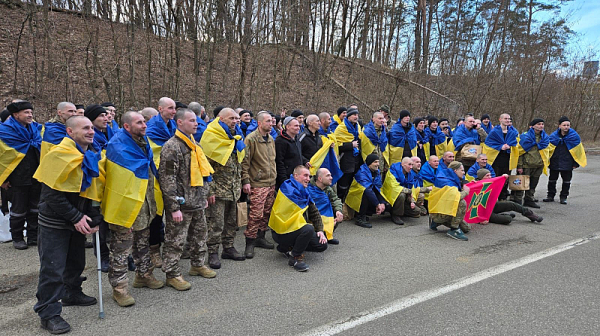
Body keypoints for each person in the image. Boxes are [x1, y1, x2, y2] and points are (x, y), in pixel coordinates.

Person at [33, 116, 103, 334]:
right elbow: (51, 196)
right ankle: (49, 313)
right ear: (70, 132)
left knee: (75, 262)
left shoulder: (88, 156)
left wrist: (93, 217)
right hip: (55, 221)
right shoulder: (57, 155)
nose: (91, 131)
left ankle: (72, 292)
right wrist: (76, 217)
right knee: (53, 268)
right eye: (85, 128)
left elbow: (90, 192)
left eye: (92, 127)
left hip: (77, 220)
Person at [103, 111, 164, 307]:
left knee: (142, 245)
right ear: (127, 126)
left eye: (145, 122)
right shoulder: (117, 146)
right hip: (126, 209)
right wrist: (122, 215)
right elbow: (117, 184)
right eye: (139, 123)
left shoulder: (144, 143)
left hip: (144, 204)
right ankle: (119, 289)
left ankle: (144, 275)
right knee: (121, 251)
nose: (144, 125)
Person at [159, 109, 215, 291]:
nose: (196, 123)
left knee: (200, 236)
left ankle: (197, 264)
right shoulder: (172, 146)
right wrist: (173, 206)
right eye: (191, 120)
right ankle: (172, 274)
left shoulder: (194, 144)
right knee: (175, 240)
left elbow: (203, 173)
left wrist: (205, 195)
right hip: (182, 205)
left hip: (197, 201)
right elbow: (167, 179)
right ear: (179, 123)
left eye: (196, 120)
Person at [200, 108, 246, 269]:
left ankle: (228, 247)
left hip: (233, 188)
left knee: (231, 222)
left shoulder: (235, 137)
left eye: (236, 118)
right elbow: (204, 168)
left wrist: (241, 183)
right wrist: (209, 191)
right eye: (231, 118)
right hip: (217, 190)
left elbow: (239, 164)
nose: (235, 121)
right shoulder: (211, 137)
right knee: (216, 223)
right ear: (220, 119)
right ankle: (212, 251)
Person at [268, 166, 327, 272]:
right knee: (308, 229)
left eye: (309, 176)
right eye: (305, 175)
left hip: (297, 228)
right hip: (281, 232)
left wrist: (320, 230)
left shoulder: (304, 192)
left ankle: (287, 248)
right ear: (296, 176)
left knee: (321, 245)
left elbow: (314, 213)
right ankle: (295, 257)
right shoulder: (287, 189)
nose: (308, 179)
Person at [0, 101, 41, 250]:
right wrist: (3, 180)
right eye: (26, 112)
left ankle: (33, 236)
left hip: (35, 175)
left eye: (31, 112)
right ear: (16, 115)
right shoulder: (4, 131)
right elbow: (1, 157)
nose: (30, 115)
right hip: (16, 178)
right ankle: (17, 237)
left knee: (35, 208)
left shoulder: (36, 130)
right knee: (18, 210)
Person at [146, 97, 177, 269]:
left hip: (172, 176)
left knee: (173, 212)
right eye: (170, 108)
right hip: (156, 177)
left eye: (174, 108)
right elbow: (153, 152)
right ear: (160, 109)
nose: (173, 111)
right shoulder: (151, 129)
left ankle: (171, 250)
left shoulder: (173, 127)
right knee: (156, 217)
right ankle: (154, 251)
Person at [241, 111, 277, 258]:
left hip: (271, 182)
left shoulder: (271, 139)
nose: (271, 123)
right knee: (255, 214)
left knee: (266, 212)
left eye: (271, 121)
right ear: (260, 123)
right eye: (268, 121)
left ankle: (260, 237)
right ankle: (250, 242)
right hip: (258, 183)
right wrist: (246, 181)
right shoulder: (251, 139)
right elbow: (245, 162)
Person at [544, 116, 587, 204]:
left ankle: (563, 197)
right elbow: (548, 149)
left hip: (568, 163)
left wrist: (575, 163)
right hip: (555, 162)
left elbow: (578, 151)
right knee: (552, 180)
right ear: (559, 126)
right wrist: (547, 160)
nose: (566, 127)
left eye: (568, 125)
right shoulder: (553, 136)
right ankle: (550, 196)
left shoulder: (574, 136)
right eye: (564, 125)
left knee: (566, 181)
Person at [475, 169, 543, 224]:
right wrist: (480, 220)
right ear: (481, 177)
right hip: (484, 212)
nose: (490, 177)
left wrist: (503, 178)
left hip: (492, 206)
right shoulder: (476, 187)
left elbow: (499, 186)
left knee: (512, 204)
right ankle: (503, 216)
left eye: (490, 175)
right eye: (487, 176)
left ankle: (530, 214)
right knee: (508, 219)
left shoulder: (490, 183)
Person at [429, 161, 471, 241]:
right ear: (455, 171)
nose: (464, 173)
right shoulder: (448, 182)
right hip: (439, 212)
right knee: (461, 202)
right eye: (462, 170)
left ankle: (436, 222)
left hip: (442, 210)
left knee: (466, 228)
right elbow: (456, 197)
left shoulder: (449, 177)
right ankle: (453, 229)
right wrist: (466, 192)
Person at [512, 118, 549, 208]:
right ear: (533, 126)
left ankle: (529, 199)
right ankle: (517, 200)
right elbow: (519, 152)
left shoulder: (545, 138)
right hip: (526, 165)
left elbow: (546, 151)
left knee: (533, 184)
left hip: (538, 165)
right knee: (521, 184)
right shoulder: (525, 137)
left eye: (542, 124)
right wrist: (519, 166)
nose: (541, 126)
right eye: (539, 124)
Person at [483, 113, 518, 200]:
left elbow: (516, 143)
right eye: (505, 118)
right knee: (495, 179)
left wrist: (510, 146)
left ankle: (503, 198)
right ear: (500, 119)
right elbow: (488, 144)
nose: (507, 120)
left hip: (507, 159)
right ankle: (493, 199)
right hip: (496, 160)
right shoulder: (494, 131)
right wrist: (500, 147)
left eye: (509, 119)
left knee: (505, 179)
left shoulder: (512, 132)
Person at [346, 154, 385, 228]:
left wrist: (382, 202)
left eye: (378, 162)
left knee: (386, 205)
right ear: (369, 163)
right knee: (365, 193)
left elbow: (379, 188)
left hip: (369, 194)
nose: (378, 164)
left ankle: (368, 213)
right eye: (375, 162)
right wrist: (377, 204)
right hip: (356, 196)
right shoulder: (362, 172)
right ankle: (360, 217)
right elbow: (367, 189)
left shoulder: (377, 172)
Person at [308, 168, 344, 245]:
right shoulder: (309, 189)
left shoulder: (327, 188)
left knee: (336, 212)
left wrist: (338, 211)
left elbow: (335, 200)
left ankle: (328, 235)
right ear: (320, 179)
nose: (331, 177)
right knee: (320, 245)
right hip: (312, 219)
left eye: (330, 175)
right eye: (328, 176)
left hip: (323, 217)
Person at [333, 108, 361, 202]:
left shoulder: (358, 127)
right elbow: (337, 145)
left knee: (352, 184)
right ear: (348, 116)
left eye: (357, 115)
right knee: (343, 184)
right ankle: (340, 203)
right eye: (354, 115)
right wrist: (350, 145)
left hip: (356, 159)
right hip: (346, 160)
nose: (356, 117)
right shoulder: (341, 128)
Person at [381, 157, 419, 225]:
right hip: (391, 196)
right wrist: (409, 192)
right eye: (409, 164)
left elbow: (412, 188)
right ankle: (396, 215)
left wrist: (412, 201)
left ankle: (397, 209)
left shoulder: (410, 174)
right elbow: (395, 188)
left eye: (412, 165)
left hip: (405, 197)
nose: (411, 167)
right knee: (401, 194)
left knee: (417, 212)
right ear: (402, 164)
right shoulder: (392, 171)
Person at [275, 117, 306, 188]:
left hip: (297, 177)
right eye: (296, 126)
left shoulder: (297, 140)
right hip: (287, 179)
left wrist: (305, 162)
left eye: (299, 126)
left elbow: (298, 155)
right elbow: (279, 161)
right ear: (287, 127)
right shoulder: (280, 141)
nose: (298, 128)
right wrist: (284, 180)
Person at [360, 111, 389, 176]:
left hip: (380, 163)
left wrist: (385, 164)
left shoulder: (384, 132)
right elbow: (365, 148)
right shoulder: (366, 131)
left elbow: (385, 148)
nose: (382, 120)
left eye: (382, 118)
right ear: (373, 119)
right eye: (379, 118)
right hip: (370, 164)